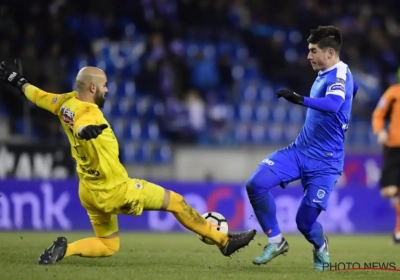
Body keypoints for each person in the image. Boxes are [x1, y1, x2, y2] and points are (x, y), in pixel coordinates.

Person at [0, 59, 256, 265]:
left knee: (109, 245)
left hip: (88, 190)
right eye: (105, 86)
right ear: (92, 88)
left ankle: (65, 250)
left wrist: (17, 80)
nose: (107, 90)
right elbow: (83, 124)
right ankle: (224, 242)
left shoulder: (66, 102)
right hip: (115, 190)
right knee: (176, 202)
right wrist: (82, 132)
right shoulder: (89, 113)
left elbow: (39, 96)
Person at [245, 26, 358, 270]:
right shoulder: (330, 71)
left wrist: (299, 99)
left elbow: (334, 104)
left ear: (329, 52)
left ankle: (320, 246)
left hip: (326, 163)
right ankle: (275, 241)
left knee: (304, 223)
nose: (308, 56)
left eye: (313, 51)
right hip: (299, 151)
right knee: (256, 183)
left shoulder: (339, 74)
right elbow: (350, 94)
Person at [372, 83, 400, 244]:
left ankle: (398, 233)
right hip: (394, 148)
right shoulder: (394, 92)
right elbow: (378, 113)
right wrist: (380, 130)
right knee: (389, 191)